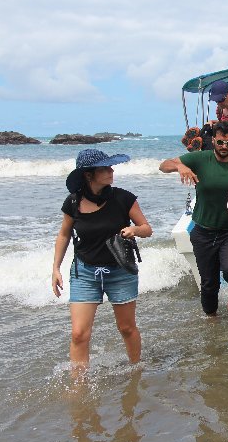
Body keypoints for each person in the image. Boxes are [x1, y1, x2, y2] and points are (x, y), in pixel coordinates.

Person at [52, 149, 153, 369]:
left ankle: (136, 371)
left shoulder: (124, 198)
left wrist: (134, 230)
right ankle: (79, 383)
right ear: (88, 175)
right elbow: (64, 235)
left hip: (120, 271)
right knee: (79, 334)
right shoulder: (73, 202)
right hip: (85, 272)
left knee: (126, 328)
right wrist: (56, 268)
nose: (111, 171)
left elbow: (147, 229)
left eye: (111, 166)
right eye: (104, 168)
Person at [159, 121, 228, 315]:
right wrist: (180, 166)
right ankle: (212, 321)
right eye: (220, 142)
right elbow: (163, 166)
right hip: (204, 232)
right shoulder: (200, 158)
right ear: (213, 140)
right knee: (208, 283)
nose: (224, 147)